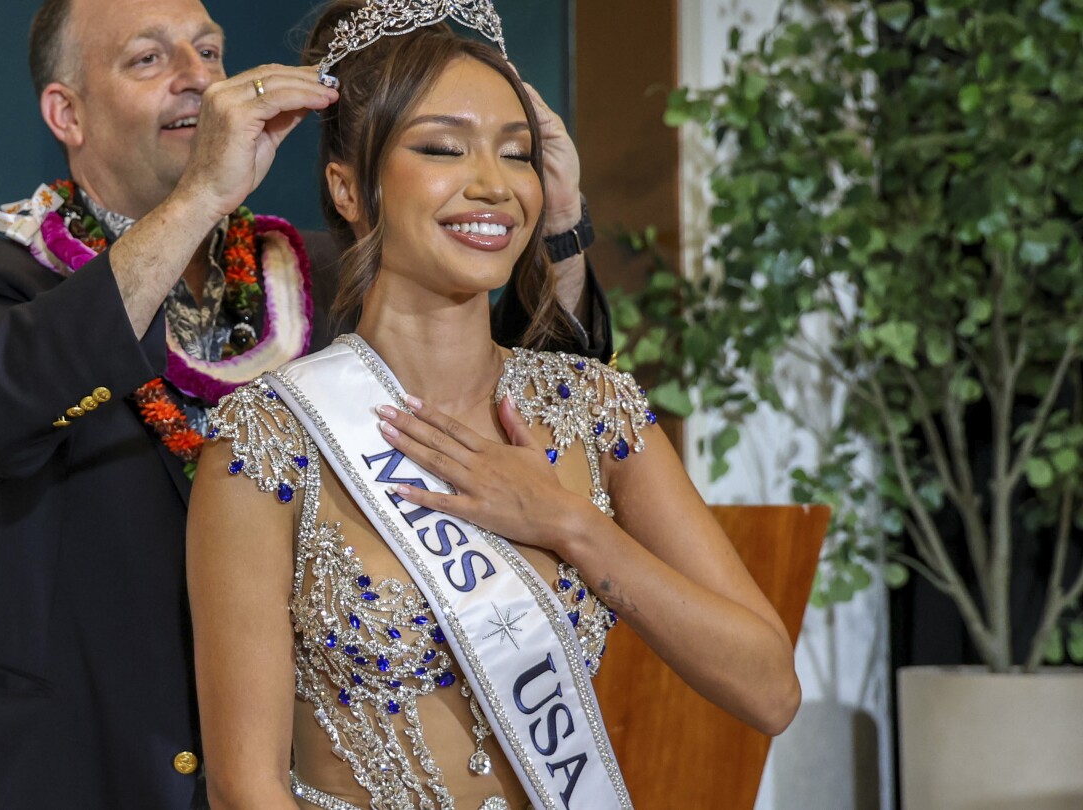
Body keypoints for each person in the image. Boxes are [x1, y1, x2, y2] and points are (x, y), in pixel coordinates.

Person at [0, 0, 611, 806]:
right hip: (62, 767)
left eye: (208, 51)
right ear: (68, 112)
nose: (197, 80)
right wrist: (200, 195)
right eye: (149, 61)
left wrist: (561, 217)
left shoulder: (316, 277)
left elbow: (551, 407)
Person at [186, 3, 802, 809]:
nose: (493, 186)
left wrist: (568, 523)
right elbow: (246, 791)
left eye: (517, 155)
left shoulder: (595, 409)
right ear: (348, 187)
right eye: (443, 148)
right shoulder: (266, 439)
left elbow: (769, 690)